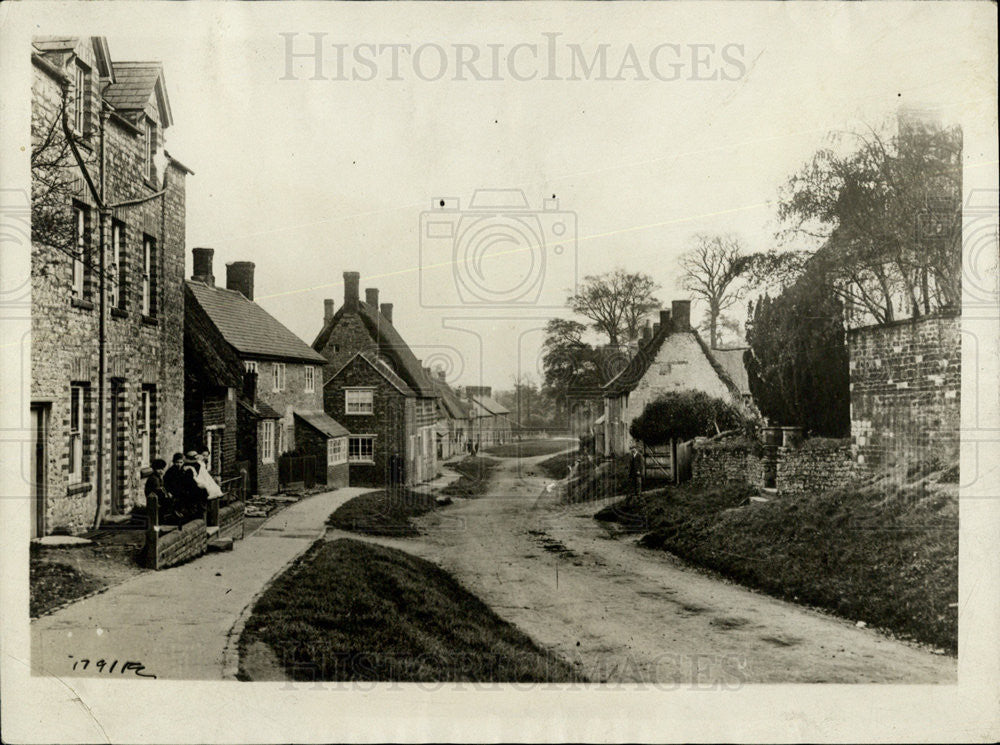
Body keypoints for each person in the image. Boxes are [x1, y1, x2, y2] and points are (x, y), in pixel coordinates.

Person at [144, 458, 169, 524]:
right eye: (158, 469)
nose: (160, 471)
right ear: (154, 469)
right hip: (154, 500)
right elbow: (158, 490)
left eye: (162, 469)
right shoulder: (154, 479)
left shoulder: (159, 477)